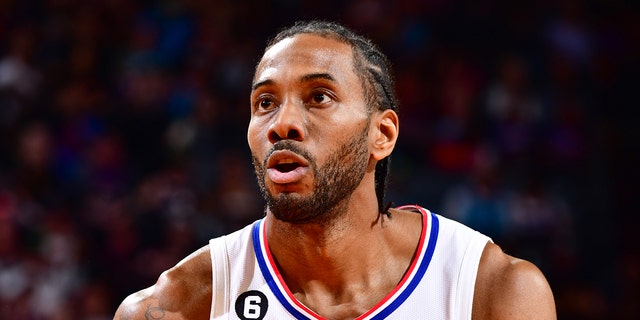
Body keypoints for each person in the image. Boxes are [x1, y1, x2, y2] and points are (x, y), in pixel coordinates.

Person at [114, 20, 556, 320]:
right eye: (264, 103)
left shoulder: (494, 293)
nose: (281, 123)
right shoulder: (182, 305)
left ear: (380, 135)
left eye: (319, 97)